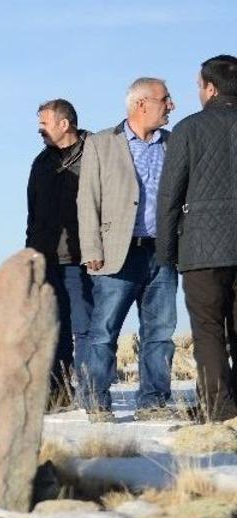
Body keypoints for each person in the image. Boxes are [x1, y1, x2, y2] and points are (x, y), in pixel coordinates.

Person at [78, 77, 179, 422]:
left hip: (162, 253)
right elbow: (87, 198)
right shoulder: (102, 143)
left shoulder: (174, 143)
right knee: (104, 331)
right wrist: (91, 246)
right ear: (141, 104)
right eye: (165, 99)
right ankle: (95, 402)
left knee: (160, 333)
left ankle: (153, 401)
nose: (171, 105)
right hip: (114, 253)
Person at [158, 55, 237, 422]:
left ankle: (218, 409)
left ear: (210, 87)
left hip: (203, 248)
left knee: (207, 330)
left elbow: (170, 194)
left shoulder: (189, 129)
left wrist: (166, 251)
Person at [26, 99, 94, 411]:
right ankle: (58, 395)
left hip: (84, 259)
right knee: (53, 331)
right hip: (48, 260)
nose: (40, 130)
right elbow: (33, 215)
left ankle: (93, 394)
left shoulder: (95, 156)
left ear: (64, 124)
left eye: (44, 124)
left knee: (86, 329)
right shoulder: (41, 164)